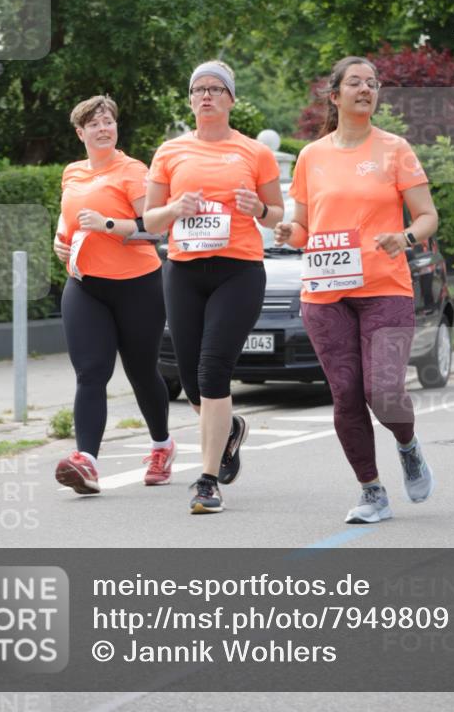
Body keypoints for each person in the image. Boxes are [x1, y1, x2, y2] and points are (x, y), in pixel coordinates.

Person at [275, 57, 438, 523]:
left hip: (385, 286)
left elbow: (427, 216)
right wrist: (291, 234)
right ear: (335, 96)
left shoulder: (396, 149)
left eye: (372, 83)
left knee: (383, 391)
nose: (365, 89)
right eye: (355, 82)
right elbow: (305, 227)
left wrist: (404, 237)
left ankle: (407, 445)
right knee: (346, 393)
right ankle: (371, 491)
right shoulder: (311, 156)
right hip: (326, 293)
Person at [143, 61, 283, 514]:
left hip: (238, 270)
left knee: (212, 368)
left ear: (231, 99)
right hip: (183, 270)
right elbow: (149, 219)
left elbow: (277, 214)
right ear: (190, 100)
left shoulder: (252, 152)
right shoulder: (169, 151)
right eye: (199, 89)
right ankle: (230, 430)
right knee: (189, 379)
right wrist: (175, 208)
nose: (206, 96)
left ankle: (206, 482)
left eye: (216, 89)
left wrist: (257, 206)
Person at [53, 95, 175, 495]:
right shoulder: (72, 172)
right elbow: (67, 218)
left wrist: (109, 224)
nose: (103, 128)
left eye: (108, 122)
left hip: (137, 285)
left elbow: (154, 230)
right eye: (94, 124)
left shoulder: (133, 171)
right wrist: (60, 241)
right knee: (91, 372)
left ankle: (162, 445)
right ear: (80, 132)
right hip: (86, 286)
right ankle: (86, 461)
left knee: (141, 372)